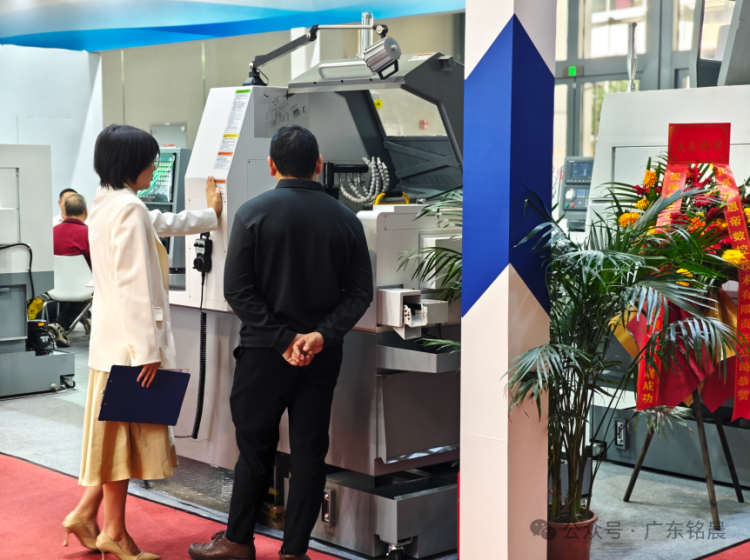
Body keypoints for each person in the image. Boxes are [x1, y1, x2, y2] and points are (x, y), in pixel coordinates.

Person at [189, 125, 373, 560]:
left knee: (254, 450)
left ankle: (238, 542)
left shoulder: (252, 214)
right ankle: (294, 552)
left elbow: (238, 291)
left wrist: (282, 339)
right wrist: (320, 335)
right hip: (320, 357)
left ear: (271, 165)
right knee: (309, 453)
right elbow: (359, 294)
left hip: (263, 354)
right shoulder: (346, 219)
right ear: (319, 165)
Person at [61, 124, 223, 560]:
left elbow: (161, 223)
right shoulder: (129, 208)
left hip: (110, 348)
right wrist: (146, 352)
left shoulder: (107, 203)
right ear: (131, 164)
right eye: (150, 161)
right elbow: (133, 286)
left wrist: (210, 215)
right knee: (123, 446)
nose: (154, 168)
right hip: (130, 352)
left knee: (117, 442)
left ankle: (88, 515)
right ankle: (113, 532)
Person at [49, 193, 92, 347]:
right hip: (82, 289)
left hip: (53, 287)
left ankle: (59, 324)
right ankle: (60, 325)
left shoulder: (51, 232)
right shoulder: (90, 234)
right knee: (90, 289)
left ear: (65, 212)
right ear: (85, 210)